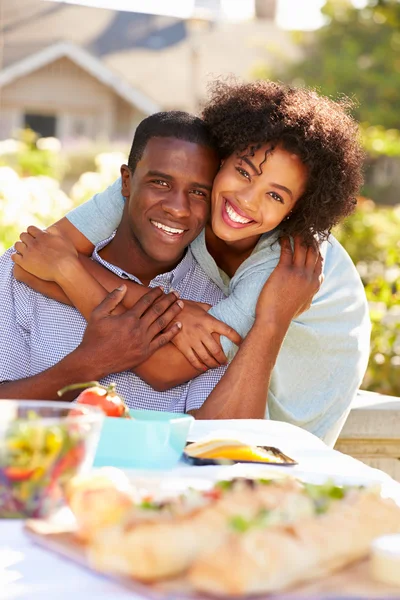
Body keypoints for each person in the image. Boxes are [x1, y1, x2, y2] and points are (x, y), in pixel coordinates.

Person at [13, 81, 370, 445]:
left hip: (289, 412)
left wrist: (70, 271)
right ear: (221, 159)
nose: (247, 201)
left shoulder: (284, 263)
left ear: (296, 209)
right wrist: (178, 312)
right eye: (244, 172)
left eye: (275, 195)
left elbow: (165, 368)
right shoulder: (179, 192)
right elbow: (34, 260)